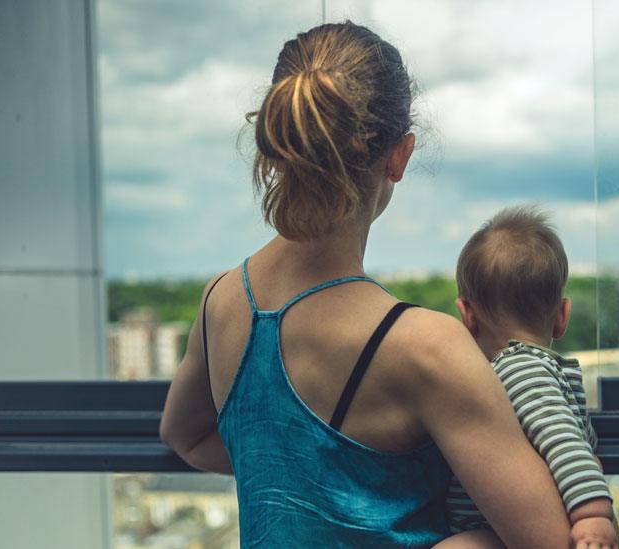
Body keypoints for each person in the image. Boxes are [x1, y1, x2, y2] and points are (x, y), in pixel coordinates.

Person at [159, 22, 571, 548]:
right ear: (399, 156)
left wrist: (302, 476)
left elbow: (185, 436)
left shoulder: (221, 300)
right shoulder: (423, 346)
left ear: (283, 139)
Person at [434, 207, 619, 549]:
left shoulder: (520, 370)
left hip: (493, 528)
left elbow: (563, 443)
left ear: (467, 316)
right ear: (562, 316)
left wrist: (593, 517)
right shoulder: (537, 371)